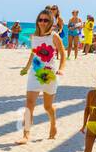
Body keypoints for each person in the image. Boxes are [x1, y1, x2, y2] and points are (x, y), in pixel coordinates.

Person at [17, 10, 66, 143]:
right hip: (35, 73)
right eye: (40, 20)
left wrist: (61, 68)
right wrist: (27, 68)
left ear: (50, 22)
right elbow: (33, 53)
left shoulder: (54, 36)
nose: (42, 22)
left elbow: (62, 52)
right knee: (29, 104)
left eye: (46, 20)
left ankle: (53, 124)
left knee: (47, 107)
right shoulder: (34, 36)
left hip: (49, 74)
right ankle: (26, 134)